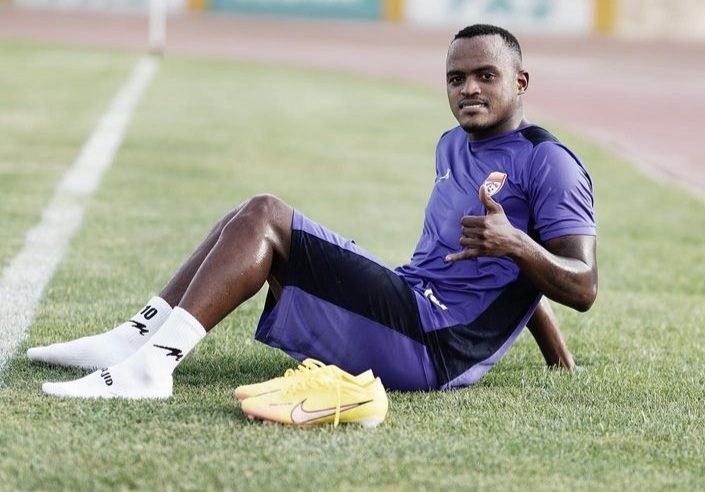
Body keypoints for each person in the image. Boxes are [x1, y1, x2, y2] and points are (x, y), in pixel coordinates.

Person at [28, 24, 597, 422]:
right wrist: (557, 356)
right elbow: (500, 271)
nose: (468, 89)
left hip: (434, 343)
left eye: (485, 75)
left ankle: (152, 368)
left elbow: (583, 284)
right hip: (411, 300)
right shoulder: (453, 144)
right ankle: (135, 339)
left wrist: (518, 244)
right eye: (456, 78)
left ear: (520, 82)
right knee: (246, 215)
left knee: (267, 214)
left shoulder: (549, 163)